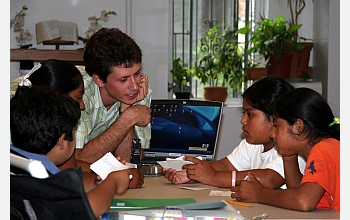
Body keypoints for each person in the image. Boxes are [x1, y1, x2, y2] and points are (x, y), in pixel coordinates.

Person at [9, 60, 144, 191]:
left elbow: (72, 165)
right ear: (57, 98)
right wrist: (112, 180)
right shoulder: (38, 128)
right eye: (78, 97)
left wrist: (112, 172)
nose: (82, 105)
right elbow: (65, 180)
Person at [10, 85, 134, 218]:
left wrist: (96, 184)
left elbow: (64, 193)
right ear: (62, 140)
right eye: (73, 131)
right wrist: (113, 182)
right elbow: (87, 210)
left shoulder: (15, 163)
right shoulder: (41, 175)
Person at [162, 77, 306, 189]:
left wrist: (213, 177)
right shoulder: (253, 143)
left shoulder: (293, 148)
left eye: (250, 114)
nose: (243, 121)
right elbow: (226, 165)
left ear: (274, 117)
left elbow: (269, 179)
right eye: (244, 113)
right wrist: (191, 171)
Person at [231, 88, 340, 211]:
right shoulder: (324, 148)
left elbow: (303, 200)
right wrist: (288, 157)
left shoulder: (324, 149)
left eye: (276, 126)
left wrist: (260, 194)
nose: (272, 134)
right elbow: (297, 190)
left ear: (298, 127)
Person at [75, 27, 152, 163]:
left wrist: (127, 108)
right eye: (123, 80)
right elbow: (79, 160)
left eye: (136, 73)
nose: (134, 86)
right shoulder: (77, 92)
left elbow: (130, 160)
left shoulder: (139, 88)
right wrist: (129, 118)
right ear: (99, 80)